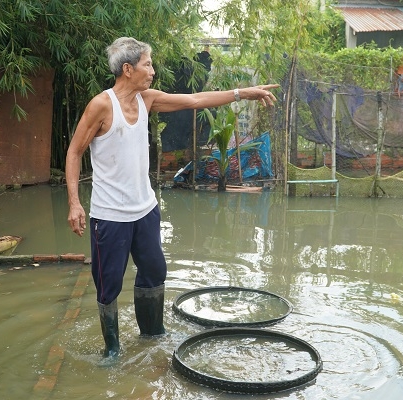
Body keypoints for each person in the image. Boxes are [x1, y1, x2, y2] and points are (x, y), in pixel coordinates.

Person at [65, 36, 278, 359]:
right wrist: (74, 202)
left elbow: (194, 100)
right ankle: (112, 350)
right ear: (127, 69)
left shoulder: (147, 99)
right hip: (110, 215)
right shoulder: (101, 105)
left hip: (145, 210)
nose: (152, 70)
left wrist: (242, 93)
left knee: (154, 271)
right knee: (108, 284)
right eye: (147, 64)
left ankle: (152, 336)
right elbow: (74, 151)